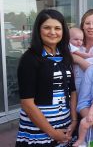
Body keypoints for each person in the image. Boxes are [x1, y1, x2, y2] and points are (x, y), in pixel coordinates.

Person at [15, 9, 78, 146]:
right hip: (38, 133)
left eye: (57, 28)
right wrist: (52, 133)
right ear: (38, 30)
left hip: (65, 127)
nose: (53, 32)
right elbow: (27, 103)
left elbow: (72, 90)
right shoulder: (30, 59)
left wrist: (74, 121)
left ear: (63, 31)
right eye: (47, 27)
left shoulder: (65, 56)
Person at [71, 9, 93, 93]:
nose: (91, 27)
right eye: (87, 23)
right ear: (83, 26)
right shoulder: (74, 44)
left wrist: (78, 59)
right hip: (73, 94)